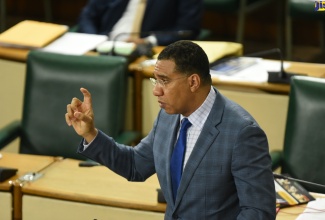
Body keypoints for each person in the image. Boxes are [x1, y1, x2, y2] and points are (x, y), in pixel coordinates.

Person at [65, 40, 276, 219]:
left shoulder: (242, 132)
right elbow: (135, 165)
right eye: (155, 80)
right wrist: (90, 134)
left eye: (164, 81)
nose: (156, 91)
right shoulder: (168, 117)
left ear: (193, 81)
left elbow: (259, 212)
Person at [76, 0, 203, 46]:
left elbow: (187, 30)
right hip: (104, 46)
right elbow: (87, 15)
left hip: (148, 52)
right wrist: (95, 40)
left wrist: (149, 41)